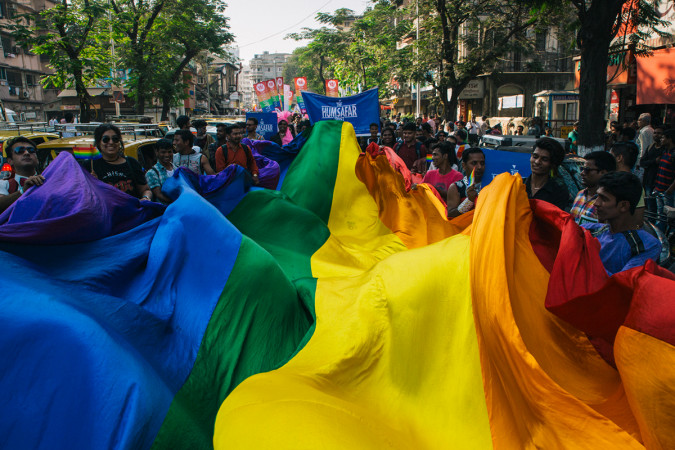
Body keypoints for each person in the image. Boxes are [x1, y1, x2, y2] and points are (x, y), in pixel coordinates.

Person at [581, 172, 661, 276]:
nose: (596, 203)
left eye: (604, 199)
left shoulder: (647, 245)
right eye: (597, 196)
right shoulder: (588, 230)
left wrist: (584, 259)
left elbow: (620, 283)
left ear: (623, 205)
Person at [91, 124, 152, 200]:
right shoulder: (91, 166)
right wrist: (91, 182)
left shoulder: (132, 163)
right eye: (105, 139)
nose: (111, 142)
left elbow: (146, 190)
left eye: (115, 139)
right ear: (98, 143)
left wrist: (146, 198)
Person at [0, 136, 46, 213]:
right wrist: (23, 191)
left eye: (31, 150)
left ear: (37, 159)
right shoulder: (4, 184)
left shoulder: (48, 179)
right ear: (10, 161)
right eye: (19, 151)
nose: (27, 153)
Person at [570, 151, 616, 224]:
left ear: (603, 173)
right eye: (582, 169)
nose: (582, 173)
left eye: (587, 170)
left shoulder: (608, 202)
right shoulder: (580, 194)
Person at [524, 137, 570, 210]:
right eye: (535, 156)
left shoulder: (558, 193)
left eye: (544, 159)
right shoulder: (518, 185)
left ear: (553, 164)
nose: (537, 162)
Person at [609, 141, 644, 227]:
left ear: (619, 158)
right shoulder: (610, 180)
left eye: (611, 156)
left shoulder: (632, 185)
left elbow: (638, 220)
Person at [446, 147, 485, 217]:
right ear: (464, 166)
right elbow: (451, 214)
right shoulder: (456, 187)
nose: (479, 167)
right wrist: (469, 201)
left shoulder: (491, 185)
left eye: (482, 163)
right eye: (474, 163)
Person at [639, 124, 665, 214]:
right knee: (651, 207)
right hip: (649, 180)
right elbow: (642, 162)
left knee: (661, 209)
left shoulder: (665, 150)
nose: (656, 135)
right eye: (655, 133)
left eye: (659, 133)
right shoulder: (650, 147)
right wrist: (654, 161)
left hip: (661, 182)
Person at [653, 129, 675, 231]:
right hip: (659, 188)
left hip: (668, 190)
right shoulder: (665, 151)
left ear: (669, 139)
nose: (660, 139)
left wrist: (670, 189)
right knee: (660, 215)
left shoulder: (673, 154)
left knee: (668, 217)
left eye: (663, 137)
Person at [145, 139, 175, 204]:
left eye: (169, 152)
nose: (167, 155)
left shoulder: (177, 169)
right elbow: (159, 195)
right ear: (157, 152)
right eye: (163, 152)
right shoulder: (152, 173)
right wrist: (176, 202)